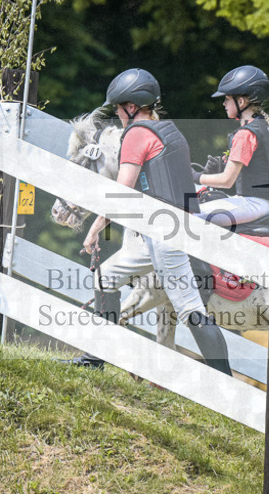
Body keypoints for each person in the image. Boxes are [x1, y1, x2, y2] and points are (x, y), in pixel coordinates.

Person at [77, 68, 231, 376]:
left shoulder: (136, 135)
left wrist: (96, 228)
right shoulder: (169, 130)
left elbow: (121, 190)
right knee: (103, 278)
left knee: (189, 309)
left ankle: (227, 383)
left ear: (131, 107)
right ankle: (94, 360)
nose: (119, 115)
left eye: (119, 109)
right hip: (168, 229)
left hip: (164, 233)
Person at [193, 65, 269, 229]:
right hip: (259, 203)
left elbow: (226, 181)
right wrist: (222, 165)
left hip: (253, 204)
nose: (223, 104)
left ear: (241, 101)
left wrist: (196, 176)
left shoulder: (245, 134)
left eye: (227, 99)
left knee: (189, 215)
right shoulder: (261, 126)